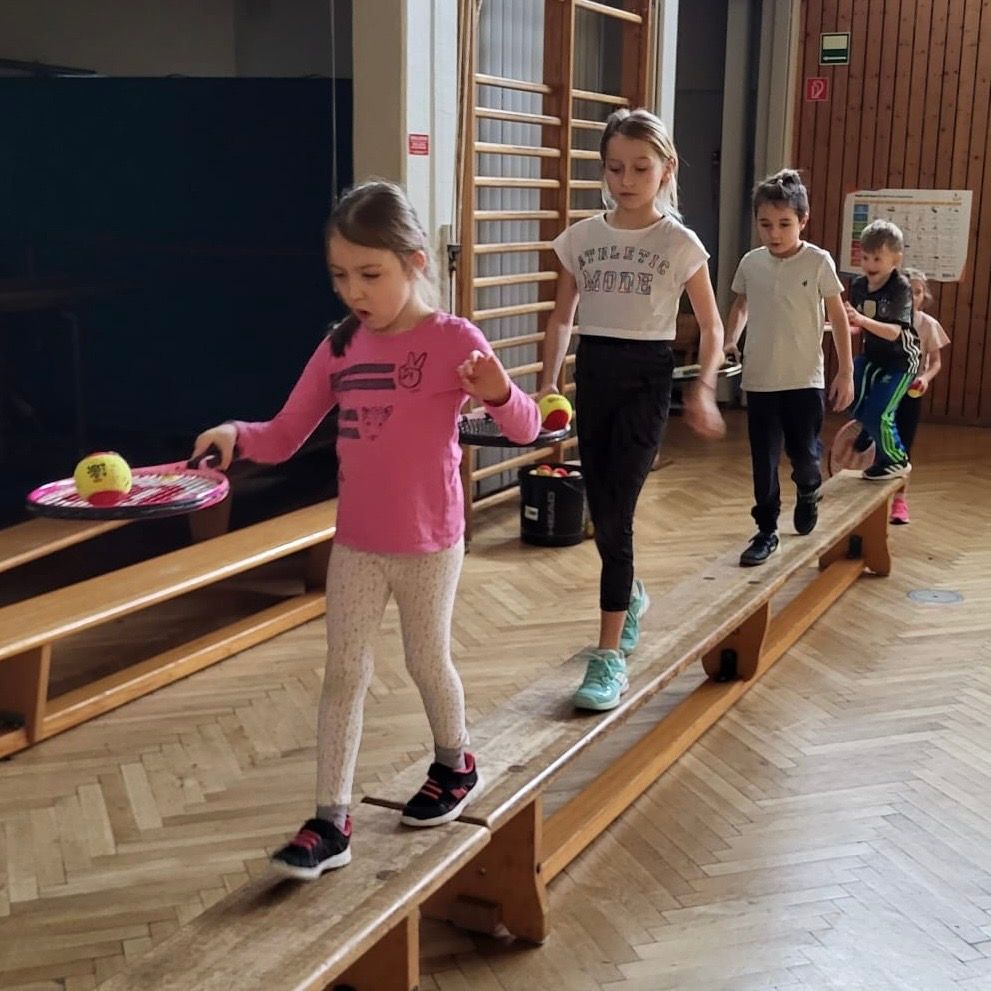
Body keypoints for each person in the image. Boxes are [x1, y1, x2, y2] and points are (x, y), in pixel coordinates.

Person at [191, 180, 540, 879]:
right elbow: (284, 434)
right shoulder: (341, 345)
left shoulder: (453, 341)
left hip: (429, 543)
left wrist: (499, 391)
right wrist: (234, 434)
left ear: (414, 262)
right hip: (356, 543)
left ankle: (456, 762)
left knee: (425, 660)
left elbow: (526, 427)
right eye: (340, 275)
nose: (354, 291)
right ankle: (330, 820)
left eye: (370, 274)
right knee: (344, 674)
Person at [539, 107, 725, 712]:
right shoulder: (581, 239)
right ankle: (633, 597)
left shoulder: (679, 243)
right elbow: (562, 318)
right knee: (603, 512)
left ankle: (607, 657)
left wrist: (703, 386)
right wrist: (547, 384)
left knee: (617, 517)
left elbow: (713, 326)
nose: (626, 180)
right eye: (615, 168)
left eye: (640, 168)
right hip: (594, 374)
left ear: (666, 169)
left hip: (647, 377)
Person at [723, 169, 854, 567]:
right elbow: (741, 306)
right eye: (765, 224)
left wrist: (845, 370)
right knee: (763, 461)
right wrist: (730, 340)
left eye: (784, 223)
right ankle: (766, 529)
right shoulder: (751, 263)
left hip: (804, 380)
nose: (774, 233)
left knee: (804, 456)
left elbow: (838, 316)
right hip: (760, 381)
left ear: (803, 220)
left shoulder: (818, 261)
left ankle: (809, 489)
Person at [844, 219, 921, 480]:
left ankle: (897, 459)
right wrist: (844, 324)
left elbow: (894, 332)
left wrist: (861, 320)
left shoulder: (900, 287)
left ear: (895, 260)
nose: (870, 265)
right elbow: (859, 326)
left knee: (878, 413)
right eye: (865, 258)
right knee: (849, 397)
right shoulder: (858, 285)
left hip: (901, 362)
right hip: (872, 357)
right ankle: (870, 427)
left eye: (877, 259)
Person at [889, 268, 950, 523]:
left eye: (917, 292)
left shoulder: (928, 325)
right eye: (907, 291)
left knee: (904, 446)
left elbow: (936, 362)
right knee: (878, 443)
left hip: (911, 393)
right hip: (886, 389)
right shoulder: (886, 321)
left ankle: (899, 501)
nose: (912, 296)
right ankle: (873, 498)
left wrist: (924, 378)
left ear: (924, 296)